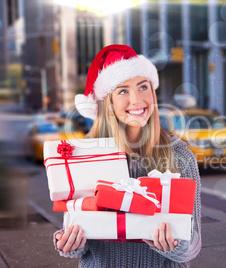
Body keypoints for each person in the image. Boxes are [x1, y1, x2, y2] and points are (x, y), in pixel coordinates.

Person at [53, 44, 201, 267]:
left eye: (143, 87)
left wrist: (175, 245)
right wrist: (69, 242)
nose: (137, 100)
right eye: (123, 91)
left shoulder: (180, 157)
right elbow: (78, 227)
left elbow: (194, 242)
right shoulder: (85, 156)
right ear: (107, 103)